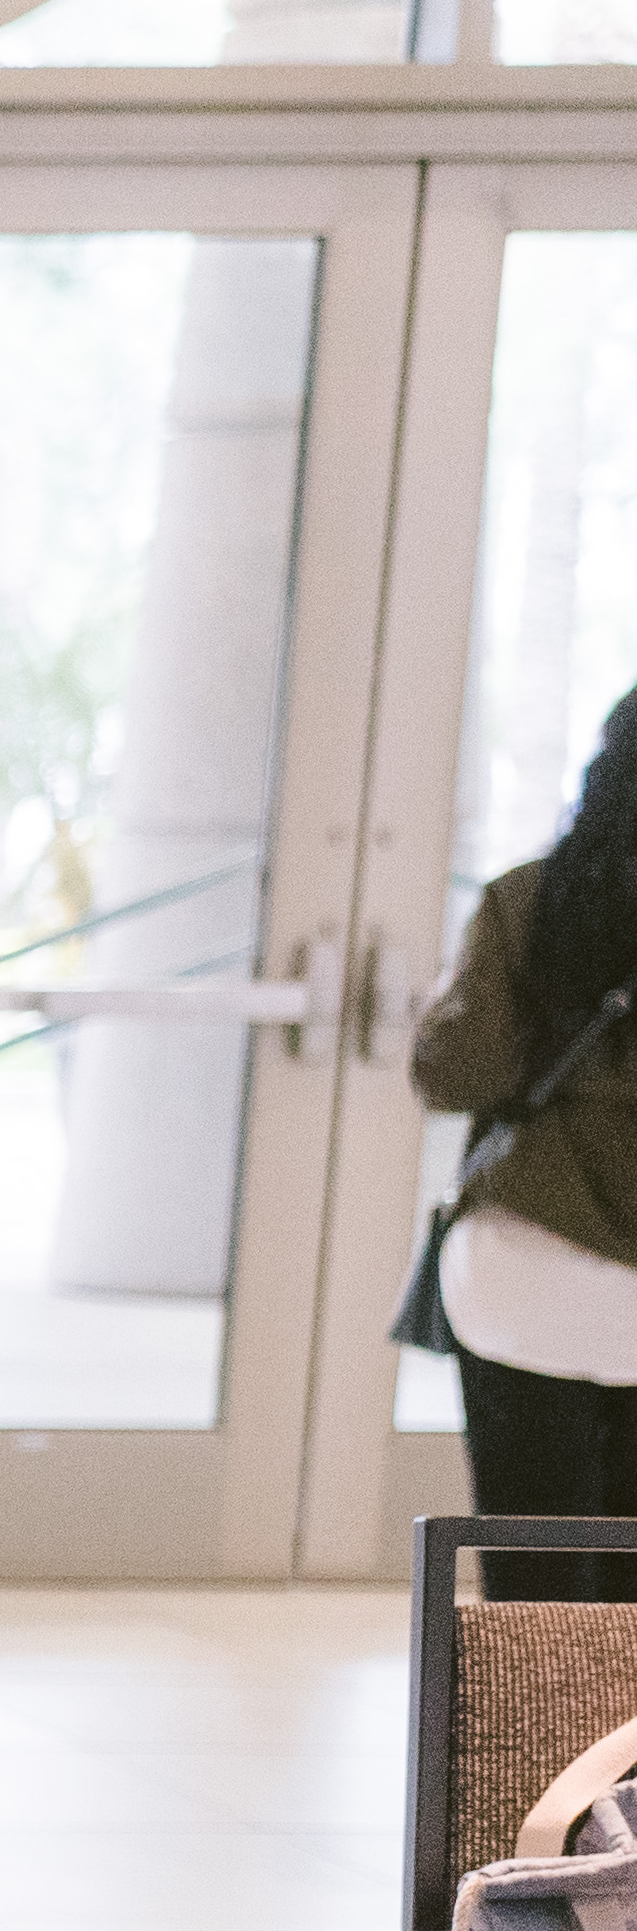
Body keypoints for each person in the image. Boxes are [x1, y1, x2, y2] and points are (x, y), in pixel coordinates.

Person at [418, 679, 637, 1603]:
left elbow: (455, 1074)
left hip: (524, 1275)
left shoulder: (528, 899)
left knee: (530, 1577)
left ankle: (535, 1738)